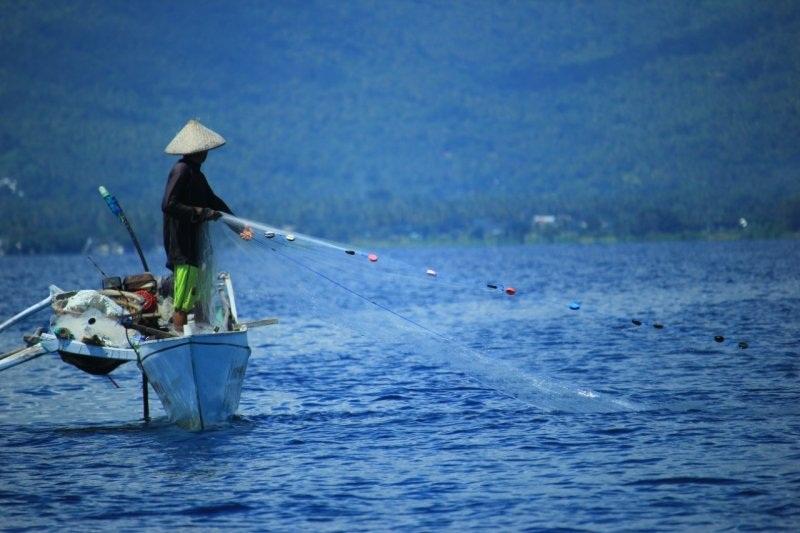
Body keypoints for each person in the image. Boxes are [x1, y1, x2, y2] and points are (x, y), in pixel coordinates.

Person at [162, 119, 248, 332]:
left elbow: (213, 201)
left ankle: (203, 333)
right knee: (181, 302)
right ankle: (181, 336)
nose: (207, 153)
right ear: (197, 151)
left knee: (199, 296)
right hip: (182, 247)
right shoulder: (181, 170)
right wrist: (201, 213)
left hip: (196, 247)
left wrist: (238, 226)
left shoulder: (197, 174)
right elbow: (168, 205)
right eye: (204, 149)